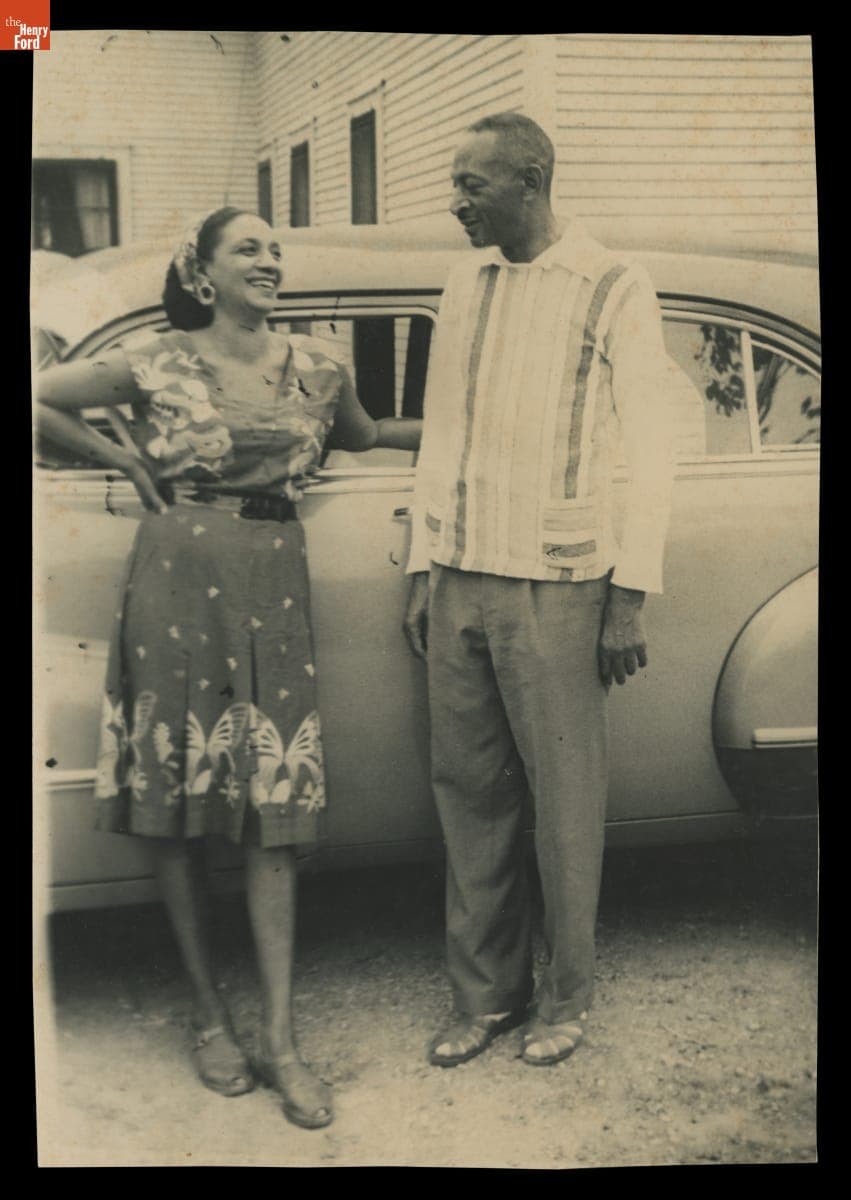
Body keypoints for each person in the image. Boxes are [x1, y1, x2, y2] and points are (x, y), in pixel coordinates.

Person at [37, 206, 421, 1128]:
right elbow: (38, 396)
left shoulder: (322, 366)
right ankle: (209, 1017)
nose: (269, 259)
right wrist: (123, 460)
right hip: (174, 572)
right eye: (247, 247)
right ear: (202, 273)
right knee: (176, 802)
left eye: (274, 248)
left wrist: (470, 436)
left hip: (273, 578)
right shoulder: (158, 358)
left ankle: (283, 1044)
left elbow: (363, 438)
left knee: (274, 812)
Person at [403, 112, 689, 1068]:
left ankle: (564, 1000)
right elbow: (442, 431)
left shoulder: (612, 285)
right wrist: (420, 562)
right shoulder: (462, 281)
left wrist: (629, 593)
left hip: (560, 583)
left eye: (471, 185)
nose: (457, 202)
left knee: (563, 802)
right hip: (459, 577)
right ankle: (486, 997)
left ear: (529, 179)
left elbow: (653, 449)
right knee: (469, 794)